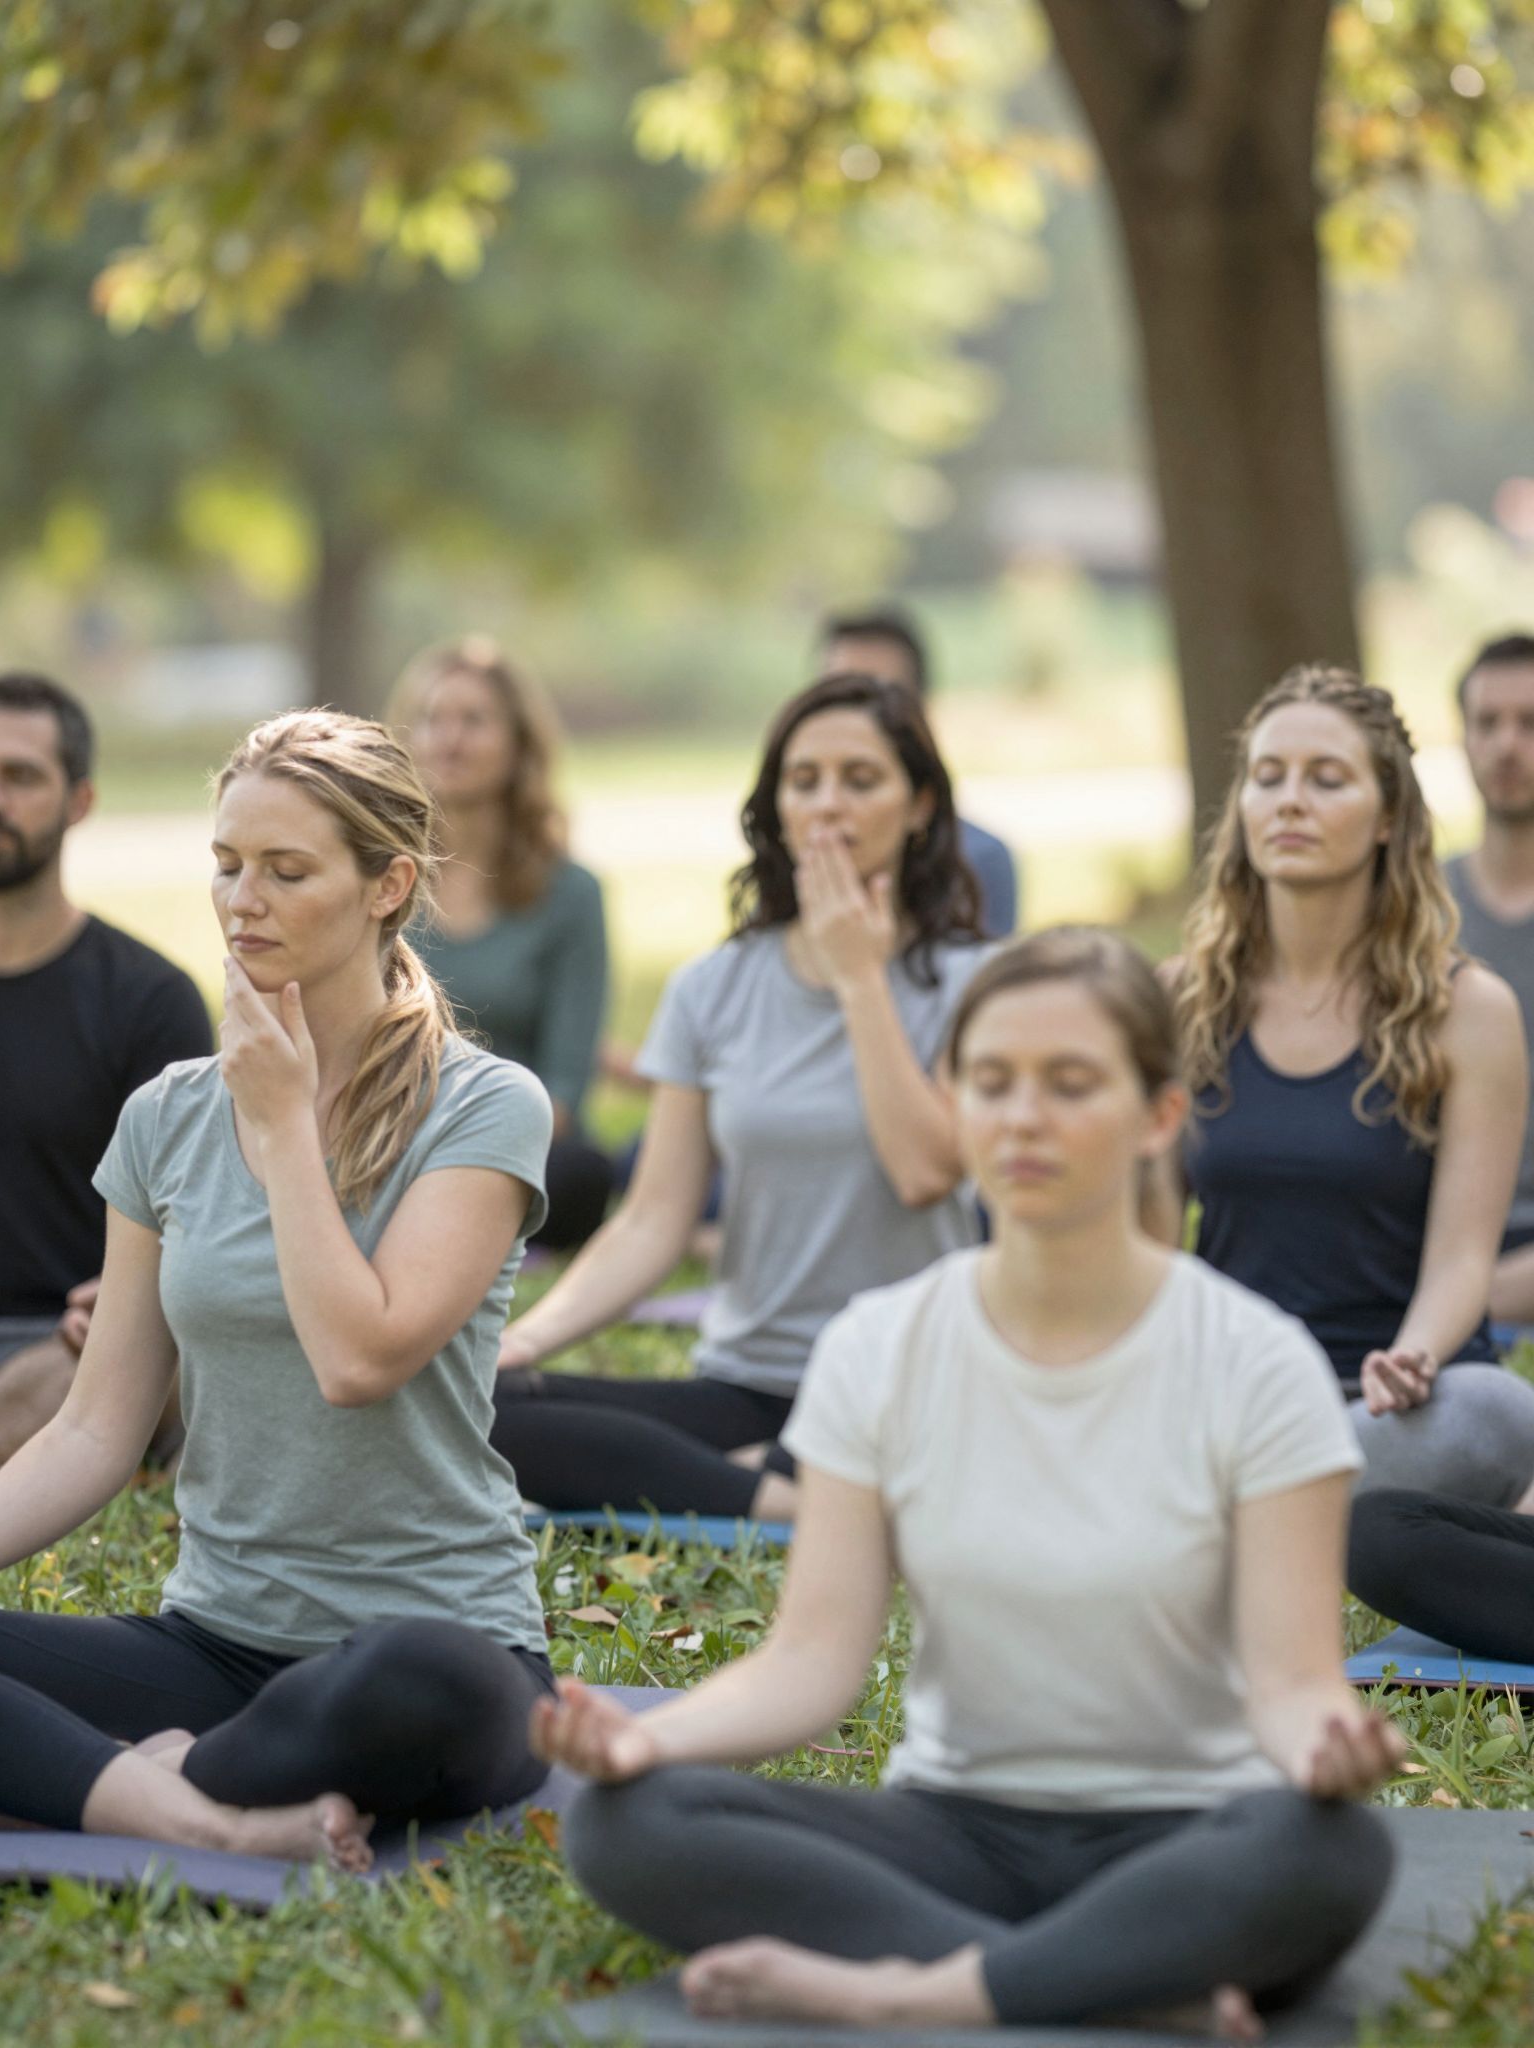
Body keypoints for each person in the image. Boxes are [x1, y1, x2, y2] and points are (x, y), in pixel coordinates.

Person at [536, 929, 1398, 2035]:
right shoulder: (880, 1344)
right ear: (955, 1100)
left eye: (1071, 1083)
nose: (1024, 1117)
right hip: (954, 1836)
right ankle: (1121, 1981)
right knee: (625, 1821)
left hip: (1187, 1830)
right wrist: (644, 1740)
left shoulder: (1257, 1357)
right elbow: (811, 1660)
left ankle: (915, 1988)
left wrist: (1329, 1741)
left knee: (1330, 1850)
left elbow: (1293, 1681)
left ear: (1158, 1117)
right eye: (991, 1082)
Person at [0, 711, 555, 1862]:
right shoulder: (164, 1116)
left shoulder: (487, 1106)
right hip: (215, 1646)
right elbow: (96, 1427)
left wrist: (283, 1126)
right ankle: (193, 1805)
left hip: (433, 1647)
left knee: (419, 1681)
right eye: (227, 864)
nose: (241, 899)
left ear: (387, 885)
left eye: (287, 870)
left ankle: (126, 1773)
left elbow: (360, 1358)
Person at [492, 672, 988, 1522]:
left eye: (861, 780)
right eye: (805, 781)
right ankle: (781, 1492)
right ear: (777, 809)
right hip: (750, 1382)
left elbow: (924, 1172)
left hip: (908, 1384)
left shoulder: (978, 985)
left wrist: (860, 978)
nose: (829, 804)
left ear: (920, 808)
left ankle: (764, 1486)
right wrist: (525, 1341)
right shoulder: (711, 988)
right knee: (482, 1412)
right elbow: (653, 1219)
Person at [1167, 663, 1534, 1506]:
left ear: (1388, 818)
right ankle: (1277, 1496)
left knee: (1496, 1413)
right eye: (1268, 778)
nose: (1289, 800)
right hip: (1230, 1401)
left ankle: (1266, 1502)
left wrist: (1412, 1360)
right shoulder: (1178, 999)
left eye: (1326, 779)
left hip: (1398, 1407)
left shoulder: (1469, 1011)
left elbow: (1461, 1258)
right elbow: (1149, 1247)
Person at [0, 671, 211, 1466]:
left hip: (76, 1344)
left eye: (20, 777)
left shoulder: (149, 1000)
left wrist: (129, 1309)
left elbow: (202, 1220)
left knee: (83, 1381)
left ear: (79, 801)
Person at [391, 637, 613, 1251]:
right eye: (434, 719)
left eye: (474, 721)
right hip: (384, 1140)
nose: (449, 739)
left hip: (520, 1145)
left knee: (582, 1175)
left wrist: (460, 1149)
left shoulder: (571, 893)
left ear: (519, 745)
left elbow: (565, 1087)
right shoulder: (380, 882)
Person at [818, 607, 1018, 938]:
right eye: (837, 695)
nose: (857, 715)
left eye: (882, 696)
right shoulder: (788, 867)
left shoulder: (977, 861)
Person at [1440, 633, 1534, 1325]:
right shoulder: (1409, 914)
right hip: (1431, 1251)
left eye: (1531, 723)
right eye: (1488, 723)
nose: (1508, 745)